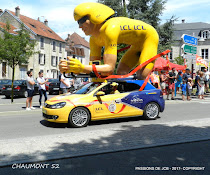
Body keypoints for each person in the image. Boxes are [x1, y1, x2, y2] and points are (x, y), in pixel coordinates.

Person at [59, 2, 159, 80]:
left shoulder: (110, 29)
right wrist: (72, 69)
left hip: (149, 38)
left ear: (94, 17)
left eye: (82, 21)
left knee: (142, 74)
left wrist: (81, 67)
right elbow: (94, 69)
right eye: (78, 22)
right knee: (121, 72)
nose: (80, 26)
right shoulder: (93, 39)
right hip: (136, 44)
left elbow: (109, 69)